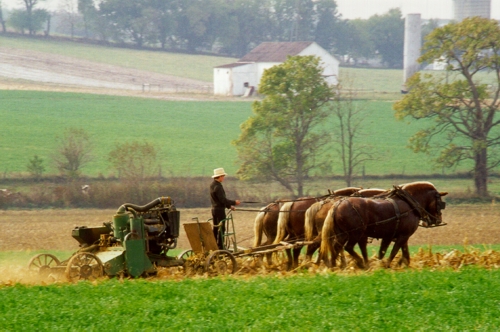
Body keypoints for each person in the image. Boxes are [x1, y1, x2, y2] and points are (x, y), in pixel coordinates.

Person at [209, 168, 240, 249]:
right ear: (219, 177)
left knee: (215, 227)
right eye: (223, 176)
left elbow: (219, 200)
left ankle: (214, 244)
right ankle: (221, 246)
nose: (223, 178)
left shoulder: (212, 185)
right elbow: (223, 200)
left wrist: (229, 206)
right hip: (219, 210)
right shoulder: (218, 187)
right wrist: (234, 202)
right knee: (222, 228)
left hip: (214, 209)